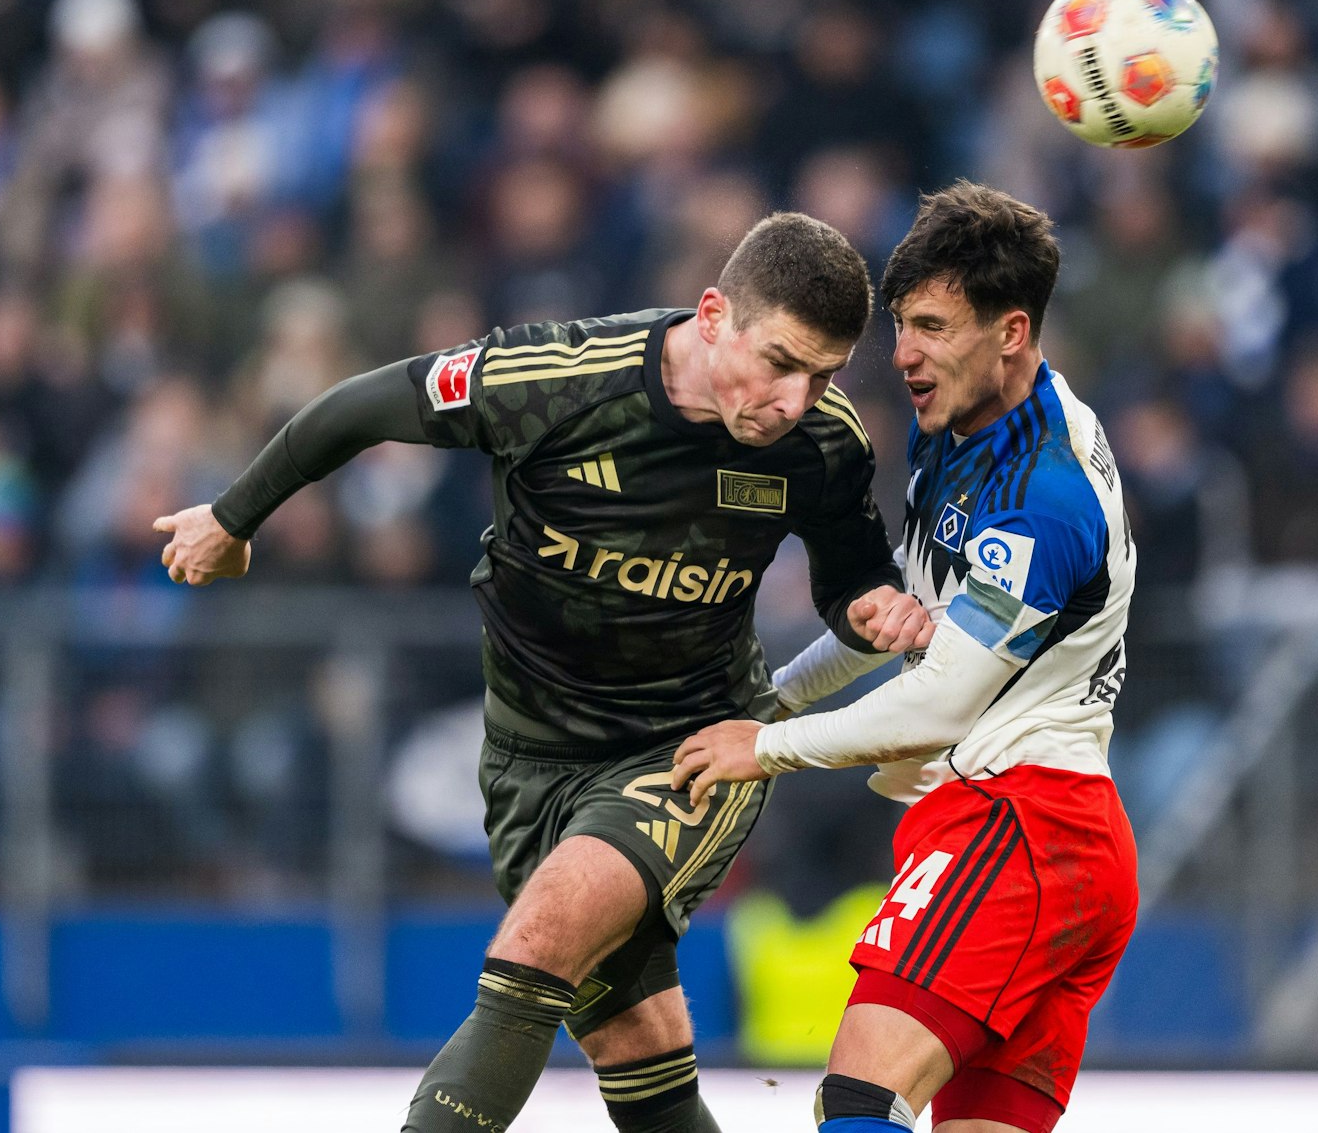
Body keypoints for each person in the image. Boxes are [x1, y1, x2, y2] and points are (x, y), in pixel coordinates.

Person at [151, 211, 934, 1133]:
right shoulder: (556, 381)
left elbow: (852, 575)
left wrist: (873, 604)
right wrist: (233, 517)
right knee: (635, 1050)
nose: (796, 399)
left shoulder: (827, 443)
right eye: (779, 362)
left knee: (535, 946)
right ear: (715, 313)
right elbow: (360, 405)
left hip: (690, 748)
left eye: (823, 373)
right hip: (529, 758)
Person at [673, 182, 1139, 1133]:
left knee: (858, 1097)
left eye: (931, 325)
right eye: (902, 323)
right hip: (1062, 840)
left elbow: (932, 704)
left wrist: (760, 750)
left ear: (1011, 331)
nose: (904, 354)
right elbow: (895, 628)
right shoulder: (961, 433)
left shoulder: (1042, 495)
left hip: (1018, 822)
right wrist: (769, 707)